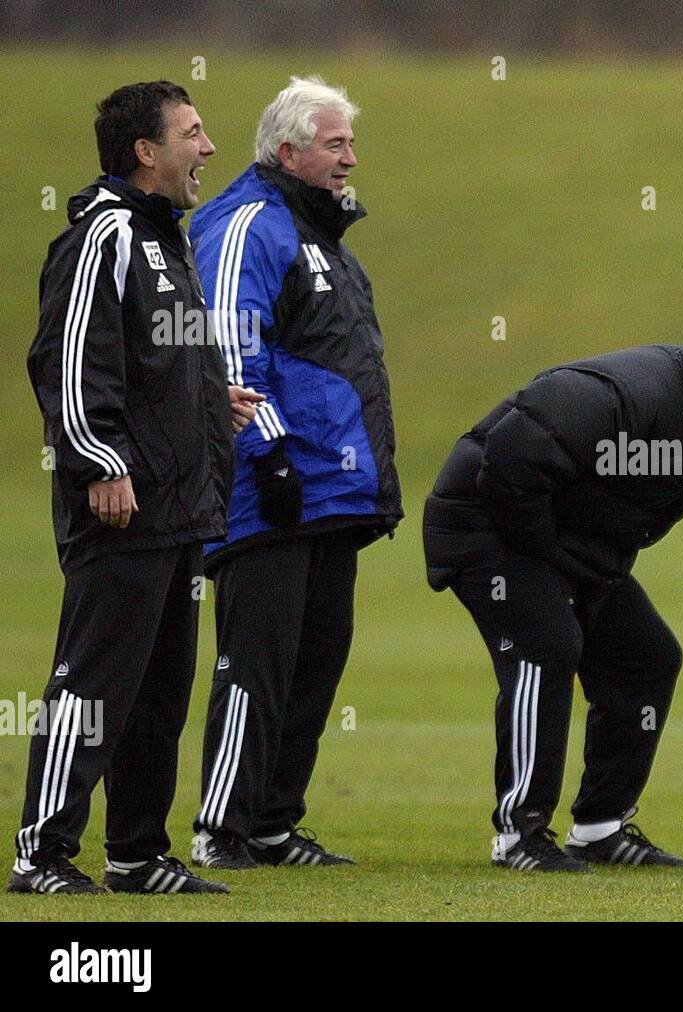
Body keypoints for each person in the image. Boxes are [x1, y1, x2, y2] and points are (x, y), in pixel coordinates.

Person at [424, 305, 683, 871]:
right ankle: (519, 834)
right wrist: (552, 559)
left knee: (647, 658)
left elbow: (630, 512)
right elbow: (510, 456)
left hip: (563, 544)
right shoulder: (633, 391)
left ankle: (600, 828)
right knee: (547, 644)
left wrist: (583, 564)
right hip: (482, 523)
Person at [13, 81, 254, 895]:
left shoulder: (164, 240)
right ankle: (42, 854)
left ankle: (137, 854)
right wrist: (97, 460)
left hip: (179, 505)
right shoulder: (104, 236)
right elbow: (68, 358)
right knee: (92, 683)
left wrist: (209, 399)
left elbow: (153, 359)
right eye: (192, 133)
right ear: (146, 152)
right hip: (123, 501)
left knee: (159, 693)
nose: (209, 148)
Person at [187, 77, 402, 870]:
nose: (351, 158)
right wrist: (269, 451)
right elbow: (228, 345)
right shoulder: (250, 224)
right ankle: (223, 828)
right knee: (260, 661)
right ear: (288, 150)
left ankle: (274, 824)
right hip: (273, 485)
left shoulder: (322, 239)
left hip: (330, 491)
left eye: (349, 142)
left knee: (315, 661)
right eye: (335, 143)